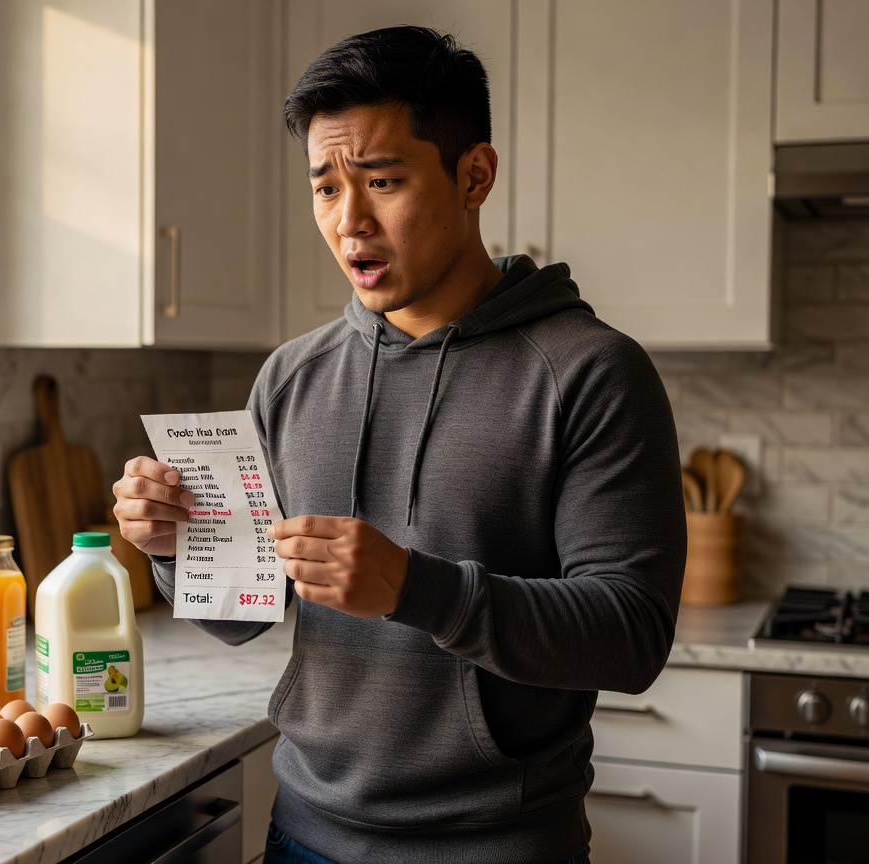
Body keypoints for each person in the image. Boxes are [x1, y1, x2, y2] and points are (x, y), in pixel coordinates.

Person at [112, 25, 684, 864]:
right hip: (304, 831)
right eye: (326, 188)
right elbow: (243, 614)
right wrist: (175, 549)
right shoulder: (291, 376)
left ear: (474, 175)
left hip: (499, 847)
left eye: (382, 181)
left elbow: (632, 637)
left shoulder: (591, 372)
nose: (351, 223)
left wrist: (417, 587)